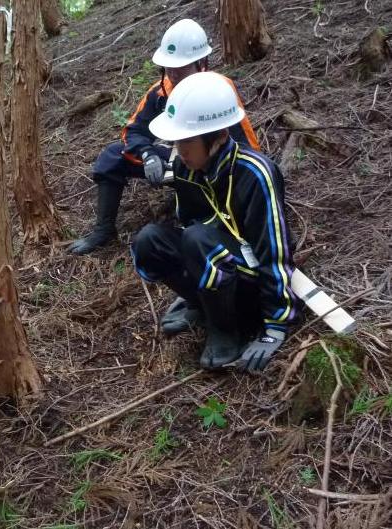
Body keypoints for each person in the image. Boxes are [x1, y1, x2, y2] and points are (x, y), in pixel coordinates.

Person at [130, 72, 298, 372]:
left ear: (219, 135)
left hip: (252, 287)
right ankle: (202, 306)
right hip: (218, 266)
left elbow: (275, 253)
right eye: (176, 141)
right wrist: (192, 292)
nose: (180, 150)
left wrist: (275, 328)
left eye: (188, 141)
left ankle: (226, 331)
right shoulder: (185, 167)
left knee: (197, 239)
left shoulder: (255, 173)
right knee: (149, 240)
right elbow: (188, 224)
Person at [68, 18, 260, 256]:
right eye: (169, 68)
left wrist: (248, 180)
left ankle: (210, 228)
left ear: (201, 63)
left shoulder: (219, 90)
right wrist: (148, 155)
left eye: (180, 68)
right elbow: (134, 131)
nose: (173, 74)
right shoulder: (160, 92)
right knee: (112, 156)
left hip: (214, 165)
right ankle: (104, 229)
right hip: (178, 159)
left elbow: (246, 143)